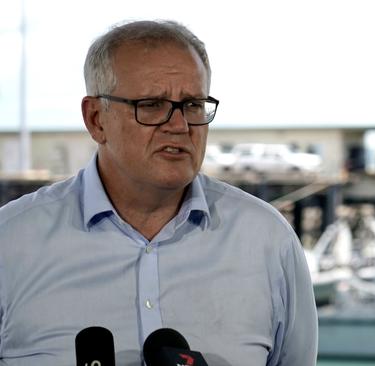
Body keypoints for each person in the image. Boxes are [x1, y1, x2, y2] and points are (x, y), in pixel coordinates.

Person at [0, 20, 318, 365]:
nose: (179, 126)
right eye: (152, 105)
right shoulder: (11, 243)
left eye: (193, 105)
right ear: (96, 119)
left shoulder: (268, 242)